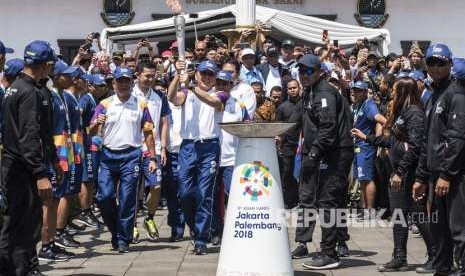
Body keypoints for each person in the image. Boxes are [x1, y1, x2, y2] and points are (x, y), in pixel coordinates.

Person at [352, 77, 435, 272]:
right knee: (399, 215)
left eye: (395, 90)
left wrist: (400, 172)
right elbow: (394, 143)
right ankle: (399, 257)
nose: (392, 93)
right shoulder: (402, 113)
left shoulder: (414, 113)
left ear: (404, 92)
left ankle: (435, 256)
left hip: (409, 173)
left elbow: (416, 147)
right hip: (398, 173)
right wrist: (369, 138)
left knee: (418, 215)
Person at [289, 54, 354, 269]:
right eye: (301, 71)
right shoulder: (308, 92)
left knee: (329, 202)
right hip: (314, 152)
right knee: (306, 199)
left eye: (308, 71)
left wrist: (315, 154)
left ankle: (330, 252)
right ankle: (304, 242)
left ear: (319, 72)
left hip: (332, 153)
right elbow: (296, 119)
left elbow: (328, 129)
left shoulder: (324, 91)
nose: (304, 75)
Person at [0, 40, 57, 276]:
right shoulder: (29, 92)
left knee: (13, 226)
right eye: (49, 65)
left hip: (15, 166)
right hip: (21, 169)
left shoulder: (15, 87)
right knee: (22, 229)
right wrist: (40, 173)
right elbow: (29, 135)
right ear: (43, 65)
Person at [88, 67, 157, 253]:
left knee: (127, 199)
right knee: (105, 197)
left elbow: (148, 132)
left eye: (127, 81)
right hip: (108, 156)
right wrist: (97, 123)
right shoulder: (104, 104)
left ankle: (122, 239)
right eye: (120, 81)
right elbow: (90, 131)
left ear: (131, 83)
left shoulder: (141, 104)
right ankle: (115, 231)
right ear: (114, 83)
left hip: (131, 156)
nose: (124, 84)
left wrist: (152, 157)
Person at [414, 45, 465, 275]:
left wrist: (446, 174)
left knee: (459, 230)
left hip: (454, 175)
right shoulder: (431, 95)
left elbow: (457, 138)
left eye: (440, 63)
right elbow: (427, 140)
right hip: (435, 174)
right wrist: (421, 176)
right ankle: (441, 269)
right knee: (438, 229)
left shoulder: (457, 94)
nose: (435, 67)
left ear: (450, 65)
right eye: (431, 62)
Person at [167, 60, 228, 255]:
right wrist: (178, 75)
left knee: (204, 194)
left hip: (209, 146)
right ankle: (194, 226)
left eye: (211, 74)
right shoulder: (186, 93)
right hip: (188, 146)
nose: (207, 77)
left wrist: (192, 85)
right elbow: (172, 97)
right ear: (198, 74)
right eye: (204, 73)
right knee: (184, 193)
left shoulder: (220, 93)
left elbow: (213, 102)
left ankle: (201, 238)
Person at [132, 61, 171, 242]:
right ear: (138, 74)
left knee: (155, 186)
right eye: (146, 75)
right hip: (131, 148)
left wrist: (163, 148)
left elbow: (164, 123)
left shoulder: (159, 97)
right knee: (130, 190)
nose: (150, 79)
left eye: (152, 75)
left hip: (152, 150)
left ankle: (149, 218)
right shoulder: (127, 94)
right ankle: (130, 224)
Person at [351, 81, 386, 218]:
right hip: (358, 146)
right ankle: (363, 209)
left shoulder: (369, 105)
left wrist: (385, 131)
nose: (356, 92)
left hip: (366, 147)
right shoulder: (357, 104)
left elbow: (380, 119)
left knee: (367, 178)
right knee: (361, 178)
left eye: (359, 90)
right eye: (355, 90)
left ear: (365, 92)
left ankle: (370, 211)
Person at [78, 74, 108, 229]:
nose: (101, 88)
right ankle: (84, 210)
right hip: (87, 145)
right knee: (87, 178)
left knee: (91, 179)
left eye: (103, 86)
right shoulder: (85, 99)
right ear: (90, 85)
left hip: (94, 144)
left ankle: (87, 209)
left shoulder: (96, 100)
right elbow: (78, 115)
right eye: (98, 86)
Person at [276, 79, 301, 209]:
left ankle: (302, 201)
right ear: (287, 90)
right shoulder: (282, 107)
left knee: (303, 174)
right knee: (287, 173)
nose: (292, 90)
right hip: (287, 145)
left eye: (294, 87)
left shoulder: (306, 104)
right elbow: (278, 128)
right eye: (290, 88)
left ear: (299, 88)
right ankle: (289, 201)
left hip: (303, 145)